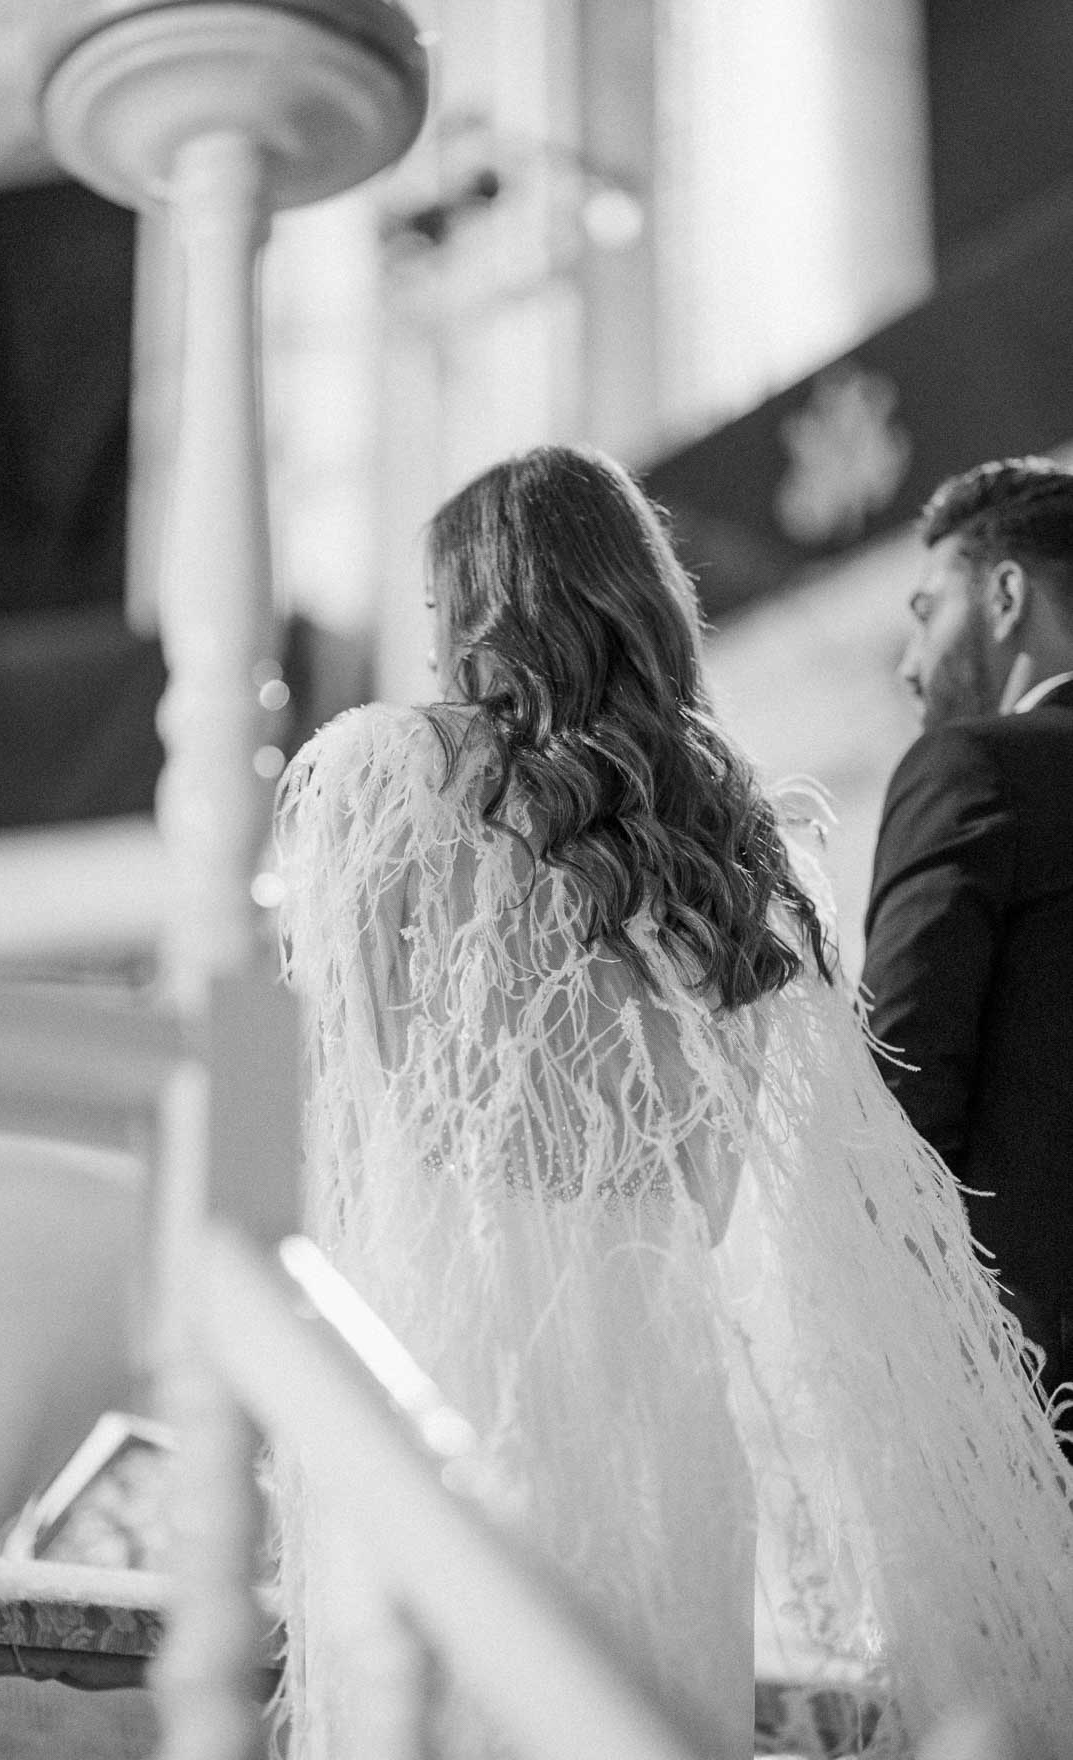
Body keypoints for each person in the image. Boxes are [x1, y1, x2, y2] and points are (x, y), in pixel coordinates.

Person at [276, 445, 1073, 1760]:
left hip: (457, 1347)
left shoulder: (385, 772)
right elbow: (713, 1185)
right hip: (663, 1380)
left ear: (480, 603)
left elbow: (370, 1099)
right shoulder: (723, 828)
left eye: (435, 613)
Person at [862, 458, 1073, 1402]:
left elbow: (899, 1078)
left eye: (922, 610)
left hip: (1028, 1373)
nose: (909, 662)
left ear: (1003, 594)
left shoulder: (973, 766)